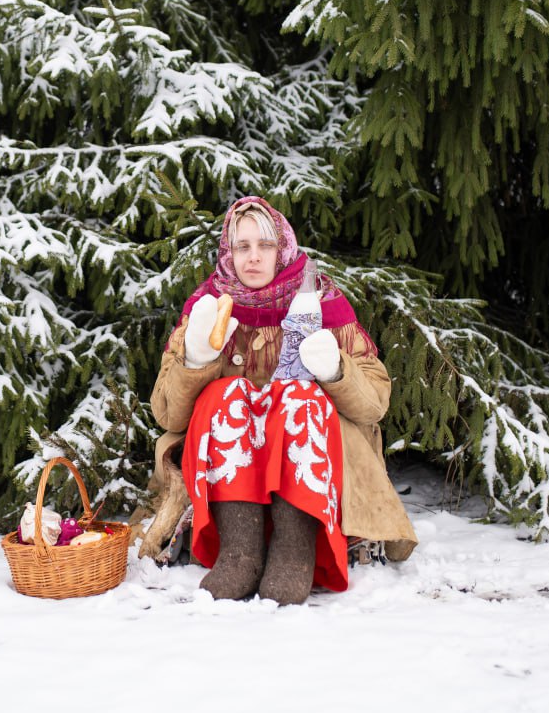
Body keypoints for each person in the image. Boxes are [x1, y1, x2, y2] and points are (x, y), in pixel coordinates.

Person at [146, 196, 416, 604]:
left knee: (299, 395)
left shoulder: (320, 302)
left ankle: (294, 550)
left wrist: (335, 370)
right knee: (223, 393)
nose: (253, 257)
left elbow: (375, 403)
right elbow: (168, 415)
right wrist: (196, 359)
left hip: (309, 471)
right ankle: (240, 553)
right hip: (230, 477)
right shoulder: (208, 307)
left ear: (283, 248)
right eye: (242, 246)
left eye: (265, 245)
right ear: (229, 252)